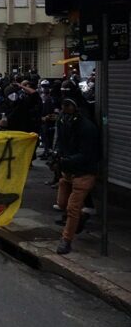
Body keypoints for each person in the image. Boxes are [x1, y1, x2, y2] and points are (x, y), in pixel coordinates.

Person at [53, 97, 100, 255]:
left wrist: (65, 160)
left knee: (72, 208)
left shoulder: (86, 128)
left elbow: (87, 154)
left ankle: (66, 240)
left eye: (68, 105)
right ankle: (82, 217)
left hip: (83, 172)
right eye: (63, 105)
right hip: (69, 171)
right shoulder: (64, 122)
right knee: (62, 203)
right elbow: (61, 142)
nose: (65, 109)